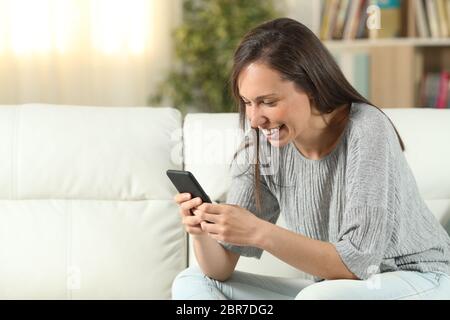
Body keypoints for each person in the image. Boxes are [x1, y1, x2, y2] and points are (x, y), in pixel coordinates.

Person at [171, 18, 450, 300]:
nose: (255, 119)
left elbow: (360, 265)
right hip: (335, 288)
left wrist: (258, 232)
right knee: (194, 281)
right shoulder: (261, 148)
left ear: (312, 87)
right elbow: (219, 269)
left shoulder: (366, 128)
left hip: (421, 280)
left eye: (268, 101)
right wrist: (200, 230)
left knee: (318, 297)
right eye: (247, 102)